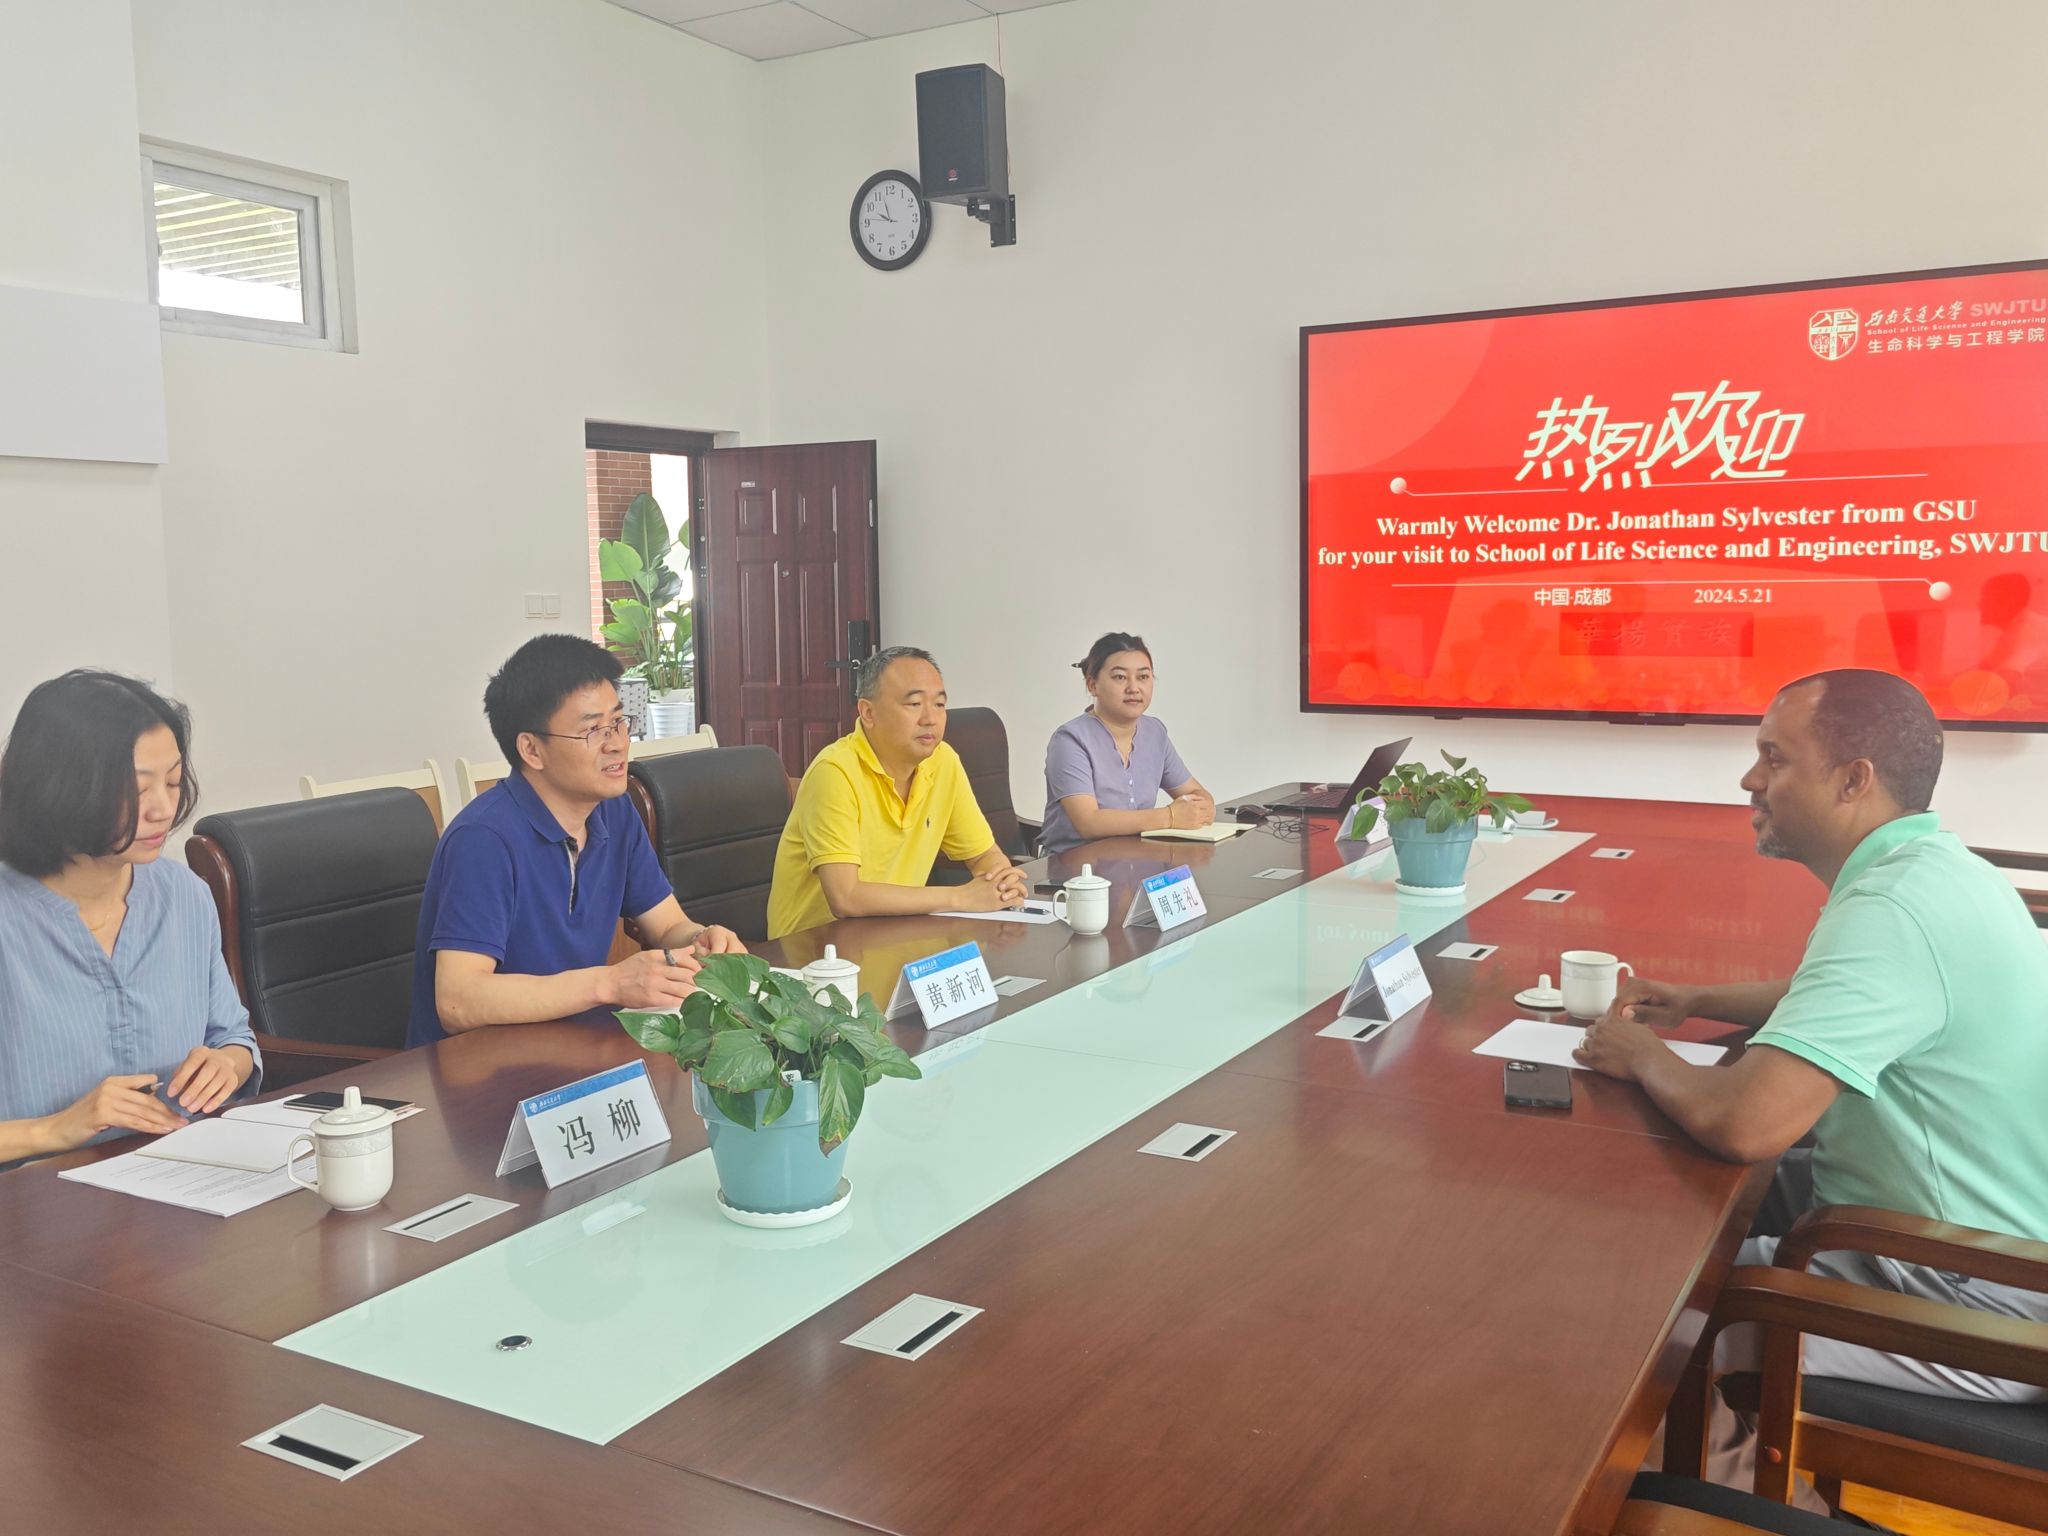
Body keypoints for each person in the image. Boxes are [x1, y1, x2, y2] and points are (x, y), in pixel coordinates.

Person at [1577, 668, 2048, 1404]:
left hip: (1963, 1288)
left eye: (1775, 759)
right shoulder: (1935, 867)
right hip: (1969, 1240)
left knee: (1632, 1310)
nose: (1749, 780)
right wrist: (1700, 999)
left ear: (1853, 780)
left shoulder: (1893, 907)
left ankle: (1700, 1473)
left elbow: (1748, 1123)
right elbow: (1848, 996)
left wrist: (1642, 1056)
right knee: (1642, 1225)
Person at [407, 635, 744, 1046]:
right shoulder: (484, 840)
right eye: (593, 730)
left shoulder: (614, 812)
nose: (617, 743)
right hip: (477, 1066)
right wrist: (609, 983)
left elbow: (669, 924)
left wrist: (700, 940)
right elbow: (458, 1001)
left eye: (618, 722)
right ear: (532, 750)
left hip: (573, 1049)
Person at [0, 671, 260, 1165]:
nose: (164, 809)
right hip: (34, 1199)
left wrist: (226, 1065)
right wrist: (53, 1129)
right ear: (58, 789)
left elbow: (232, 1037)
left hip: (181, 1178)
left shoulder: (184, 895)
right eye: (136, 789)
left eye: (173, 781)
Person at [766, 646, 1029, 938]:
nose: (930, 718)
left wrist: (1001, 882)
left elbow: (984, 855)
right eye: (914, 704)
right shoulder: (835, 772)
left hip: (894, 935)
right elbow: (845, 897)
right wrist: (961, 897)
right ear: (868, 712)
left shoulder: (943, 761)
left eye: (939, 704)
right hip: (814, 951)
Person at [1039, 632, 1214, 854]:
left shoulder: (1154, 732)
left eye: (1143, 677)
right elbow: (1089, 823)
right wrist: (1170, 816)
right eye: (1120, 677)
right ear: (1093, 685)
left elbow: (1195, 791)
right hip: (1076, 866)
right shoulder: (1070, 740)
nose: (1134, 688)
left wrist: (1202, 806)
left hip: (1139, 859)